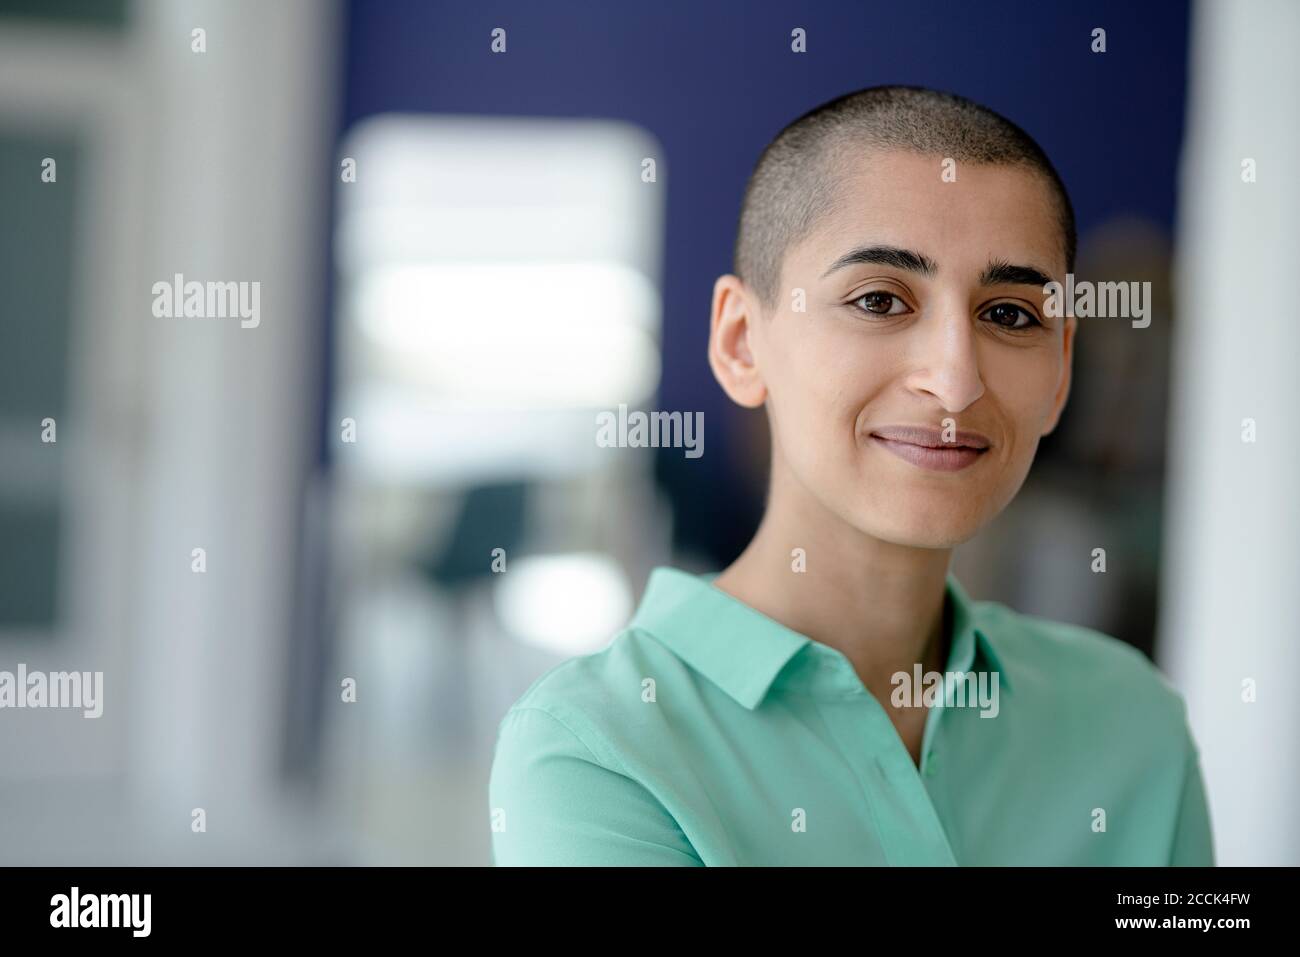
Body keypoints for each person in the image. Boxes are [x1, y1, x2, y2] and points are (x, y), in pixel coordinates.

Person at [488, 85, 1214, 866]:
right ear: (740, 341)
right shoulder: (598, 750)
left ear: (1062, 370)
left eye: (1009, 314)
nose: (955, 379)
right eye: (879, 299)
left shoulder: (1130, 721)